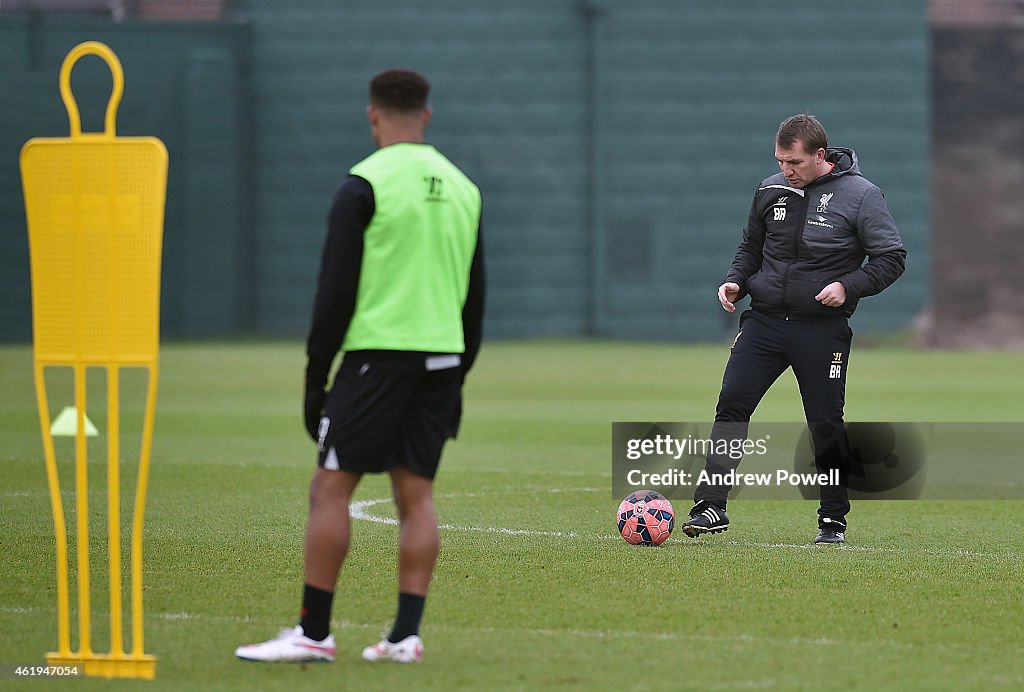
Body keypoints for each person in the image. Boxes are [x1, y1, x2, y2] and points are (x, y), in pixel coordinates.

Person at [235, 68, 485, 664]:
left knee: (330, 488)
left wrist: (315, 378)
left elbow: (334, 293)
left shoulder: (362, 184)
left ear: (372, 115)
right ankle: (404, 638)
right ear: (426, 115)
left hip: (378, 358)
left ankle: (313, 634)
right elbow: (476, 299)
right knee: (416, 497)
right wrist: (457, 372)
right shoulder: (464, 188)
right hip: (442, 359)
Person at [681, 114, 905, 545]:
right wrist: (736, 280)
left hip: (821, 330)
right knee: (731, 407)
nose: (786, 170)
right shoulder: (770, 190)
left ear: (820, 156)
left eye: (794, 163)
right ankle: (711, 506)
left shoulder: (862, 196)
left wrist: (847, 285)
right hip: (763, 322)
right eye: (781, 161)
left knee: (825, 424)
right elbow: (751, 248)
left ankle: (832, 521)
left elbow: (891, 258)